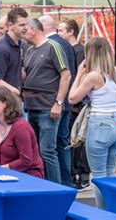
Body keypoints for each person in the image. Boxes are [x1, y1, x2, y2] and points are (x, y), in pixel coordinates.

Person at [69, 37, 116, 209]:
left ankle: (101, 213)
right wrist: (112, 107)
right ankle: (113, 210)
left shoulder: (93, 76)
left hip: (99, 126)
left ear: (91, 54)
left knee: (97, 176)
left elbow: (72, 97)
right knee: (110, 172)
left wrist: (79, 74)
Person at [23, 18, 71, 184]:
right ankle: (42, 184)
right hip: (32, 107)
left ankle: (56, 189)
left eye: (25, 29)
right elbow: (27, 74)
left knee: (48, 150)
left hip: (47, 107)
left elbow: (66, 74)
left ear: (33, 30)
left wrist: (58, 103)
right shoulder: (29, 50)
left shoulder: (53, 47)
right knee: (37, 150)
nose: (23, 33)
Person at [39, 15, 76, 187]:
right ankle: (66, 182)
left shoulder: (50, 45)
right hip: (66, 100)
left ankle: (55, 185)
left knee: (50, 147)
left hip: (55, 102)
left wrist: (58, 101)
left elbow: (63, 74)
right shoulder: (66, 43)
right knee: (62, 144)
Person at [58, 18, 90, 190]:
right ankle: (72, 173)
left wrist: (77, 100)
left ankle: (80, 174)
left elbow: (81, 76)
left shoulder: (79, 51)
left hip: (76, 103)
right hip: (70, 101)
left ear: (71, 32)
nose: (59, 33)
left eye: (62, 30)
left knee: (77, 140)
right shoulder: (65, 49)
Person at [0, 86, 44, 178]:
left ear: (5, 103)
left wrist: (0, 169)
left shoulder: (20, 127)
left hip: (28, 175)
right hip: (5, 174)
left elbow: (26, 161)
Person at [0, 7, 28, 95]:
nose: (26, 28)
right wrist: (16, 92)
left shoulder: (18, 44)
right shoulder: (2, 49)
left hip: (13, 101)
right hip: (3, 103)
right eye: (21, 25)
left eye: (26, 24)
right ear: (10, 25)